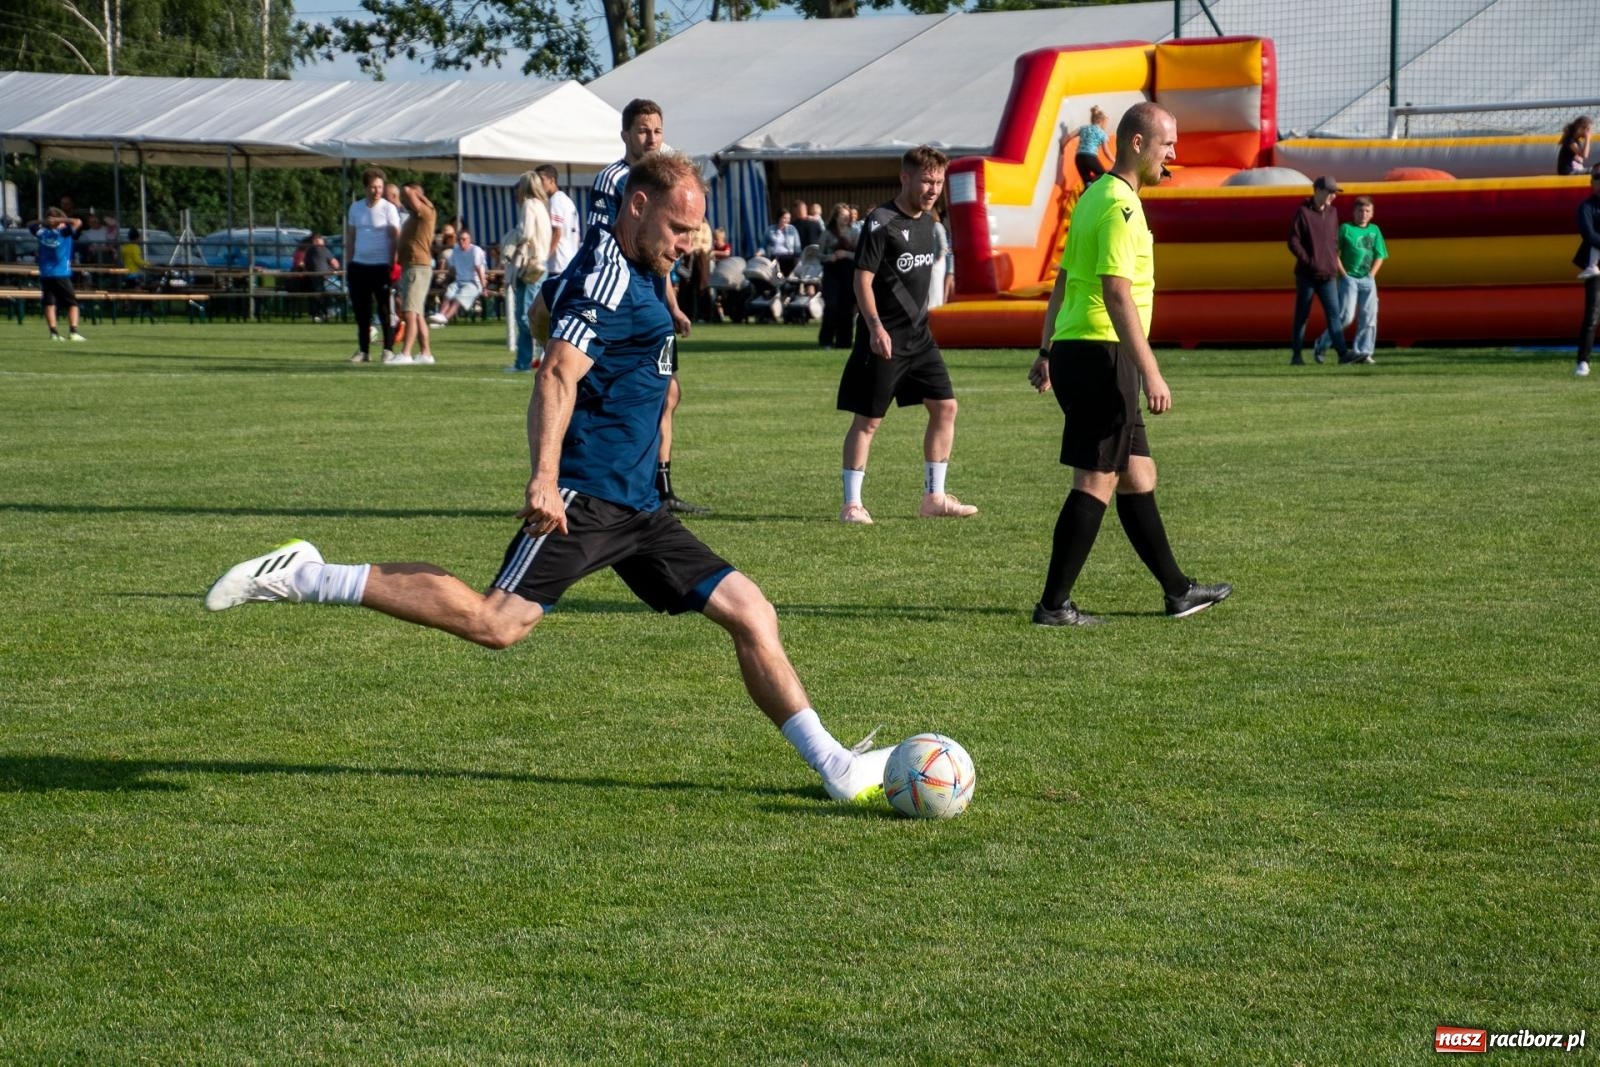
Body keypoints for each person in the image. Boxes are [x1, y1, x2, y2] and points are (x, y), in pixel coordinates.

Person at [204, 151, 894, 807]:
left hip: (642, 510)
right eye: (679, 229)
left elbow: (547, 316)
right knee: (495, 623)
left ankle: (834, 765)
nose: (689, 243)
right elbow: (558, 371)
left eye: (695, 230)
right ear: (638, 205)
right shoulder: (608, 277)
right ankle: (307, 574)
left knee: (751, 611)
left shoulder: (628, 258)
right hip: (586, 497)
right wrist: (542, 476)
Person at [1027, 101, 1231, 627]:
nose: (1174, 155)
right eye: (1167, 145)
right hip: (1102, 353)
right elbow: (1117, 296)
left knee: (1138, 472)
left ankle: (1177, 590)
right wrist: (1152, 372)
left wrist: (1048, 350)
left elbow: (1065, 283)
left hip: (1082, 350)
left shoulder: (1096, 197)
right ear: (1137, 144)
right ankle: (1053, 606)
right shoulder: (1119, 204)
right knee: (1096, 478)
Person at [554, 97, 706, 516]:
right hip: (620, 297)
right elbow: (607, 241)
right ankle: (574, 480)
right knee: (592, 385)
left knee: (668, 393)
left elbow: (663, 260)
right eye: (643, 130)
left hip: (653, 302)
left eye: (657, 130)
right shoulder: (614, 178)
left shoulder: (667, 178)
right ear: (625, 134)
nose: (651, 137)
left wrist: (672, 305)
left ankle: (660, 486)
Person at [836, 145, 977, 525]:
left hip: (920, 338)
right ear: (906, 178)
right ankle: (852, 504)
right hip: (884, 338)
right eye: (927, 180)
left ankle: (934, 497)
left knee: (946, 407)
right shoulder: (880, 222)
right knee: (868, 421)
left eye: (939, 181)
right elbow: (861, 279)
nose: (933, 189)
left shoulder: (930, 222)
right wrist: (875, 327)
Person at [1314, 195, 1386, 365]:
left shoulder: (1374, 230)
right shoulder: (1346, 229)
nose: (1364, 214)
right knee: (1346, 316)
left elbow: (1380, 255)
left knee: (1369, 317)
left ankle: (1363, 352)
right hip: (1349, 279)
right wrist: (1344, 275)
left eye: (1367, 211)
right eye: (1360, 210)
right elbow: (1334, 254)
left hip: (1368, 279)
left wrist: (1371, 275)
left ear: (1372, 213)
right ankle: (1322, 344)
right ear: (1354, 212)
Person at [1288, 175, 1352, 365]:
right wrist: (1309, 261)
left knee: (1334, 315)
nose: (1333, 195)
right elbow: (1293, 241)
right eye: (1330, 192)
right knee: (1302, 316)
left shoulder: (1333, 213)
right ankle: (1297, 356)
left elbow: (1332, 241)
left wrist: (1334, 262)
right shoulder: (1303, 213)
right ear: (1318, 191)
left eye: (1335, 192)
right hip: (1307, 275)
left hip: (1328, 275)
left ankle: (1343, 354)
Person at [344, 167, 401, 363]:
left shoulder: (388, 208)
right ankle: (363, 350)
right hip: (359, 265)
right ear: (365, 188)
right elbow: (351, 237)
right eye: (373, 187)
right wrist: (349, 263)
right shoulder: (355, 208)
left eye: (380, 187)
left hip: (381, 266)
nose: (377, 191)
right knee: (362, 311)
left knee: (384, 309)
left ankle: (388, 349)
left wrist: (393, 263)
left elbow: (395, 238)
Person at [502, 171, 553, 373]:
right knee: (526, 315)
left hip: (530, 265)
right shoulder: (542, 206)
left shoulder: (529, 205)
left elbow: (525, 233)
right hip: (539, 263)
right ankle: (522, 362)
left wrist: (509, 240)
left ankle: (547, 351)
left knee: (525, 316)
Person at [394, 182, 437, 365]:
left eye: (405, 200)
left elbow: (407, 190)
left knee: (410, 311)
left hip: (417, 266)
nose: (403, 201)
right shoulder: (417, 214)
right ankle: (426, 353)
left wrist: (417, 196)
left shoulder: (425, 211)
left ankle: (406, 353)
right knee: (417, 313)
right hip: (412, 265)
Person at [28, 207, 86, 342]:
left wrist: (45, 221)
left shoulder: (42, 232)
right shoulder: (64, 232)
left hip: (46, 274)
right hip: (61, 273)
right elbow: (77, 222)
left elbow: (30, 224)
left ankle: (54, 333)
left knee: (50, 303)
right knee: (72, 303)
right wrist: (60, 219)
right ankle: (73, 332)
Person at [1572, 164, 1600, 377]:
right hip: (1595, 266)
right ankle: (1583, 361)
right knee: (1592, 314)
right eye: (1596, 177)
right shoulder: (1586, 207)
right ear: (1591, 182)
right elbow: (1588, 235)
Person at [817, 203, 857, 349]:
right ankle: (826, 340)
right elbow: (819, 255)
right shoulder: (827, 233)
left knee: (847, 308)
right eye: (842, 215)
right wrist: (830, 257)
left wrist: (846, 254)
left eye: (848, 215)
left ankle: (844, 342)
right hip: (831, 272)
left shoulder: (854, 232)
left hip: (848, 272)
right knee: (832, 306)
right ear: (836, 217)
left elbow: (860, 255)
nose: (846, 218)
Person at [429, 228, 487, 326]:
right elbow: (452, 269)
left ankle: (444, 320)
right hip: (459, 281)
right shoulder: (456, 250)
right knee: (448, 295)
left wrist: (484, 287)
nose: (461, 241)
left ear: (470, 240)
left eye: (464, 239)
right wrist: (446, 281)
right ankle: (440, 317)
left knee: (458, 299)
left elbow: (478, 269)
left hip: (474, 283)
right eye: (459, 239)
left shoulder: (476, 250)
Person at [536, 164, 580, 277]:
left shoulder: (555, 201)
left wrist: (544, 258)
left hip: (558, 263)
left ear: (552, 180)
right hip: (569, 260)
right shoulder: (566, 200)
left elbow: (557, 232)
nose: (539, 184)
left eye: (542, 180)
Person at [303, 233, 341, 322]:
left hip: (311, 282)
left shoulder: (308, 251)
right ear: (320, 241)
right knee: (343, 290)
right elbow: (336, 265)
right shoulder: (324, 250)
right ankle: (332, 311)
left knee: (319, 293)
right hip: (325, 281)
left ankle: (318, 313)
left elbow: (306, 266)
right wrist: (332, 268)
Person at [1073, 106, 1111, 187]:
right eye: (1106, 123)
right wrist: (1114, 161)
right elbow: (1106, 152)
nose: (1106, 126)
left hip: (1079, 158)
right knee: (1103, 177)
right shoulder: (1102, 133)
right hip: (1090, 157)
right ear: (1101, 121)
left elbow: (1068, 137)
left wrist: (1062, 146)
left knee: (1087, 181)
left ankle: (1087, 192)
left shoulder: (1083, 128)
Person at [927, 207, 953, 310]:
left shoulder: (938, 226)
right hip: (931, 262)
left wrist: (937, 259)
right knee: (931, 286)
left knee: (935, 286)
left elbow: (943, 246)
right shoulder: (929, 226)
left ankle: (936, 307)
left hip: (937, 263)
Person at [763, 210, 801, 275]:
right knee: (775, 277)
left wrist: (797, 259)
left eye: (788, 218)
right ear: (779, 218)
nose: (787, 220)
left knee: (786, 277)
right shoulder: (770, 230)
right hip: (774, 258)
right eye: (784, 218)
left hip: (788, 258)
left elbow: (797, 247)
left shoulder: (792, 229)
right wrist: (759, 252)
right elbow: (763, 245)